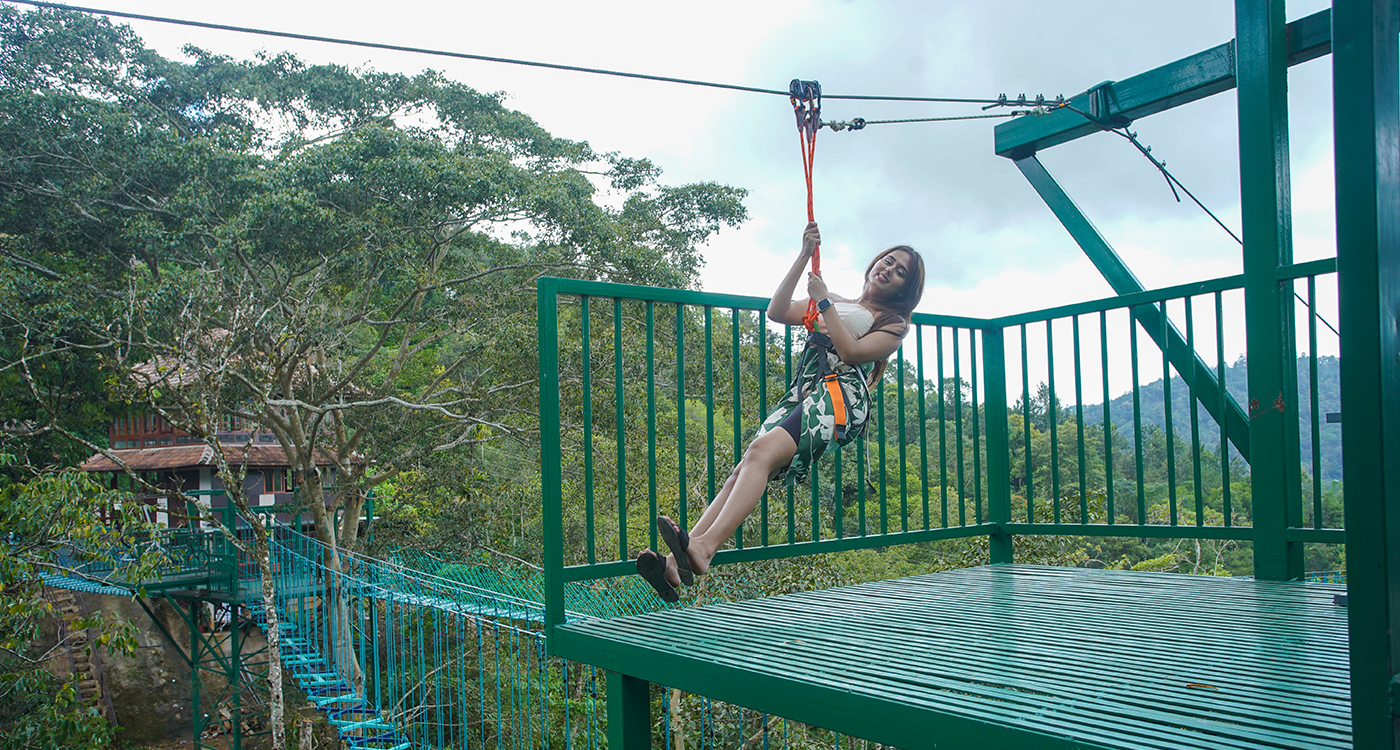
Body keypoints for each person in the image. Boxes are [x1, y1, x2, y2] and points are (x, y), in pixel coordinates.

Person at [636, 221, 927, 601]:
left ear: (905, 288)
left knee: (760, 454)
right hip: (806, 391)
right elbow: (776, 311)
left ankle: (704, 550)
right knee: (746, 466)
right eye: (887, 261)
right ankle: (675, 568)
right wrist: (803, 256)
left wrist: (823, 301)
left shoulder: (894, 324)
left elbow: (853, 353)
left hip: (841, 400)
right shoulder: (838, 300)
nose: (887, 270)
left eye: (899, 271)